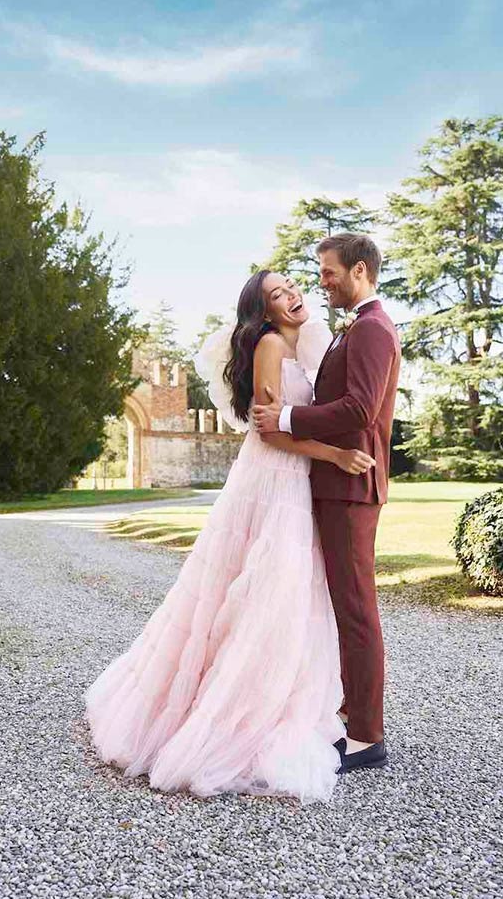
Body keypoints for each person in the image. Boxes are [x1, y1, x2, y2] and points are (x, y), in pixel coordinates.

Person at [84, 269, 375, 802]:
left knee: (276, 594)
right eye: (276, 296)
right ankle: (229, 711)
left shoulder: (299, 342)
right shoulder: (268, 344)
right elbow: (271, 430)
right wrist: (335, 454)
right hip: (273, 480)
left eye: (291, 286)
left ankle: (276, 697)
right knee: (260, 590)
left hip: (293, 481)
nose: (291, 297)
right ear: (262, 312)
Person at [252, 234, 401, 773]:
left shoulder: (372, 329)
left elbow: (359, 409)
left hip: (350, 488)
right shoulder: (358, 327)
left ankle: (366, 735)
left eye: (328, 271)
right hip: (337, 486)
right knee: (344, 607)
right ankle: (349, 715)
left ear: (358, 270)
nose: (321, 280)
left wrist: (287, 419)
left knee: (357, 610)